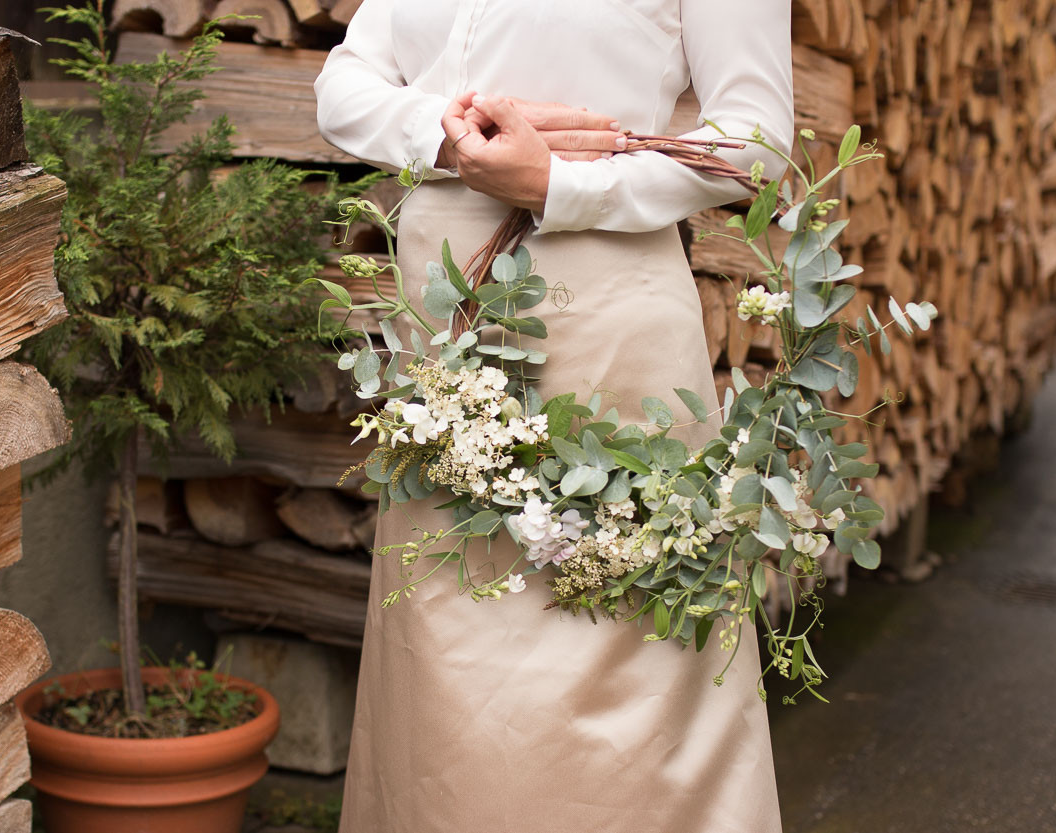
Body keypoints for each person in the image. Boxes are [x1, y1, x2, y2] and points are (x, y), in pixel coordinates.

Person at [315, 3, 794, 830]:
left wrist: (560, 184)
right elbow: (344, 85)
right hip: (446, 314)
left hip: (606, 320)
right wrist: (446, 128)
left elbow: (757, 143)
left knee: (619, 643)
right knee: (445, 650)